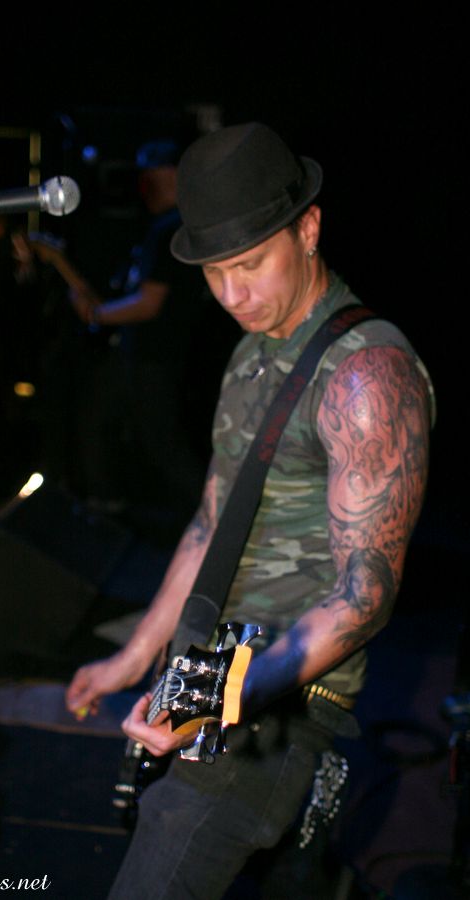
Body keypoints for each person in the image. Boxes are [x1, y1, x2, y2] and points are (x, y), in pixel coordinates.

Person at [66, 122, 435, 898]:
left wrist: (228, 695)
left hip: (283, 703)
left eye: (250, 265)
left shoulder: (367, 374)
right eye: (215, 272)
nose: (232, 295)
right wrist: (139, 655)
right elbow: (210, 522)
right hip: (214, 679)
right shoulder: (251, 352)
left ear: (309, 229)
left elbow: (365, 595)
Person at [69, 139, 215, 526]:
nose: (146, 184)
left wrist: (97, 315)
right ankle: (106, 502)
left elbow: (150, 304)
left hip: (154, 357)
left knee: (161, 443)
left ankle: (217, 518)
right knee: (99, 419)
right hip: (141, 354)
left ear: (174, 176)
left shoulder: (172, 228)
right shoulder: (164, 226)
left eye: (154, 175)